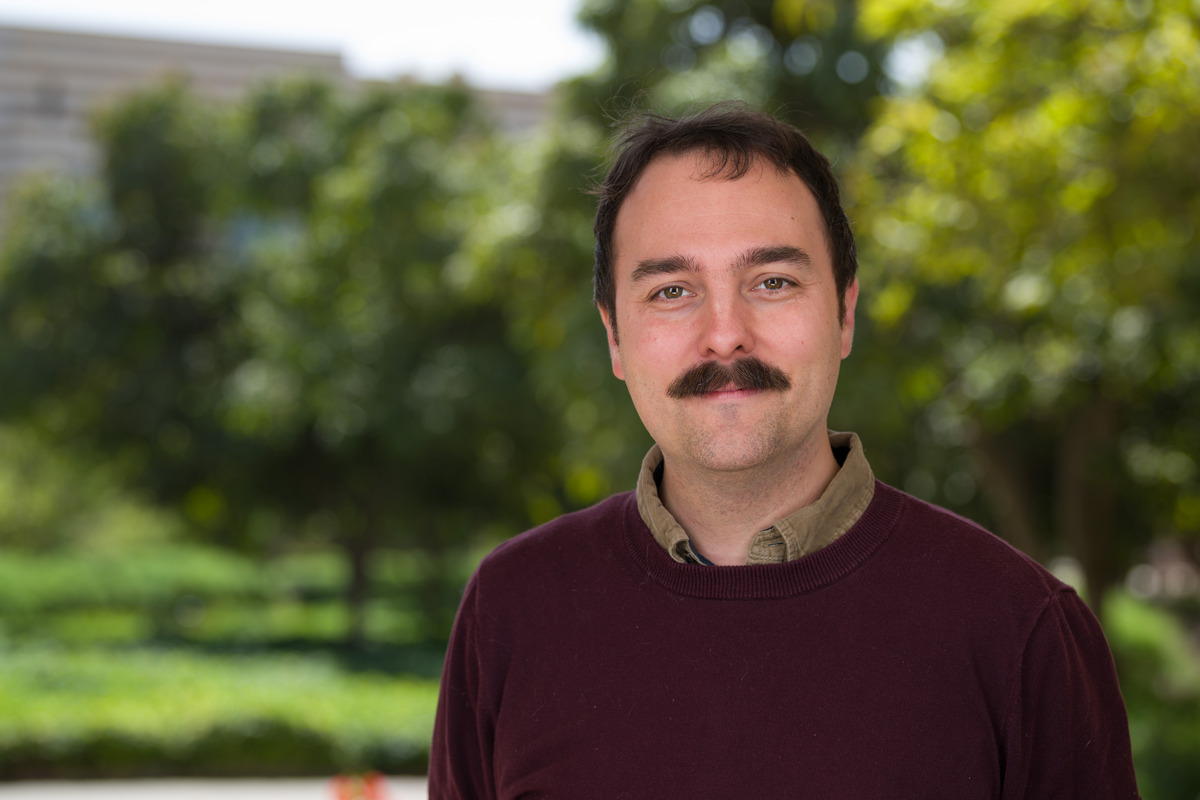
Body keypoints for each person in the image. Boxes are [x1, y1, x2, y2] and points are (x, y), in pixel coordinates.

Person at [428, 103, 1140, 798]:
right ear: (615, 337)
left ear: (845, 314)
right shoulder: (512, 610)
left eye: (773, 282)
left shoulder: (1020, 627)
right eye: (672, 290)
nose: (725, 334)